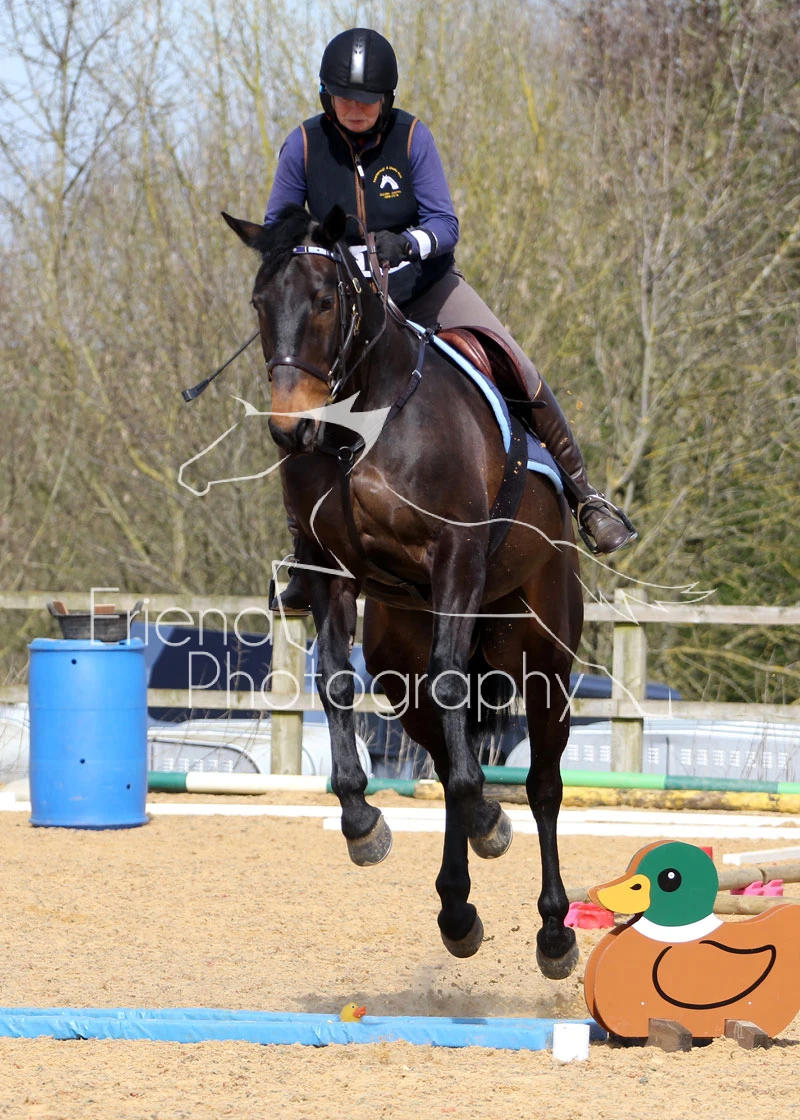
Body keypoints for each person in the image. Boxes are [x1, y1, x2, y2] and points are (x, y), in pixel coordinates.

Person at [265, 28, 637, 614]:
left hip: (425, 291)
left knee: (515, 360)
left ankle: (586, 497)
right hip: (342, 309)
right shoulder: (304, 146)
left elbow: (445, 224)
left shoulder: (413, 138)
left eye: (367, 100)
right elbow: (279, 233)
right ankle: (305, 550)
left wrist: (407, 243)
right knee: (294, 394)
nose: (356, 109)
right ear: (325, 96)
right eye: (345, 99)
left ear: (386, 99)